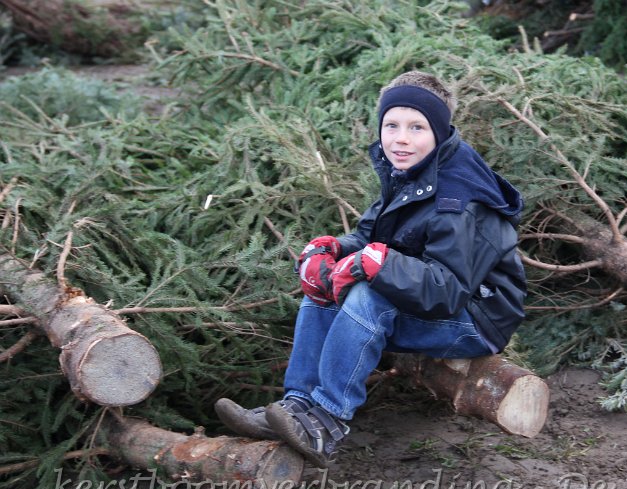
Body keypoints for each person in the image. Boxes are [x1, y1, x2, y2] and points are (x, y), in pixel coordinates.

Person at [215, 71, 527, 467]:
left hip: (475, 319)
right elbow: (370, 235)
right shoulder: (412, 171)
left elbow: (447, 291)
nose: (400, 138)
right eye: (391, 125)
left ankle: (326, 420)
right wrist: (331, 249)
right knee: (324, 286)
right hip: (429, 299)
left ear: (441, 131)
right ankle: (296, 407)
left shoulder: (458, 198)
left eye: (417, 127)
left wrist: (376, 265)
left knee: (368, 293)